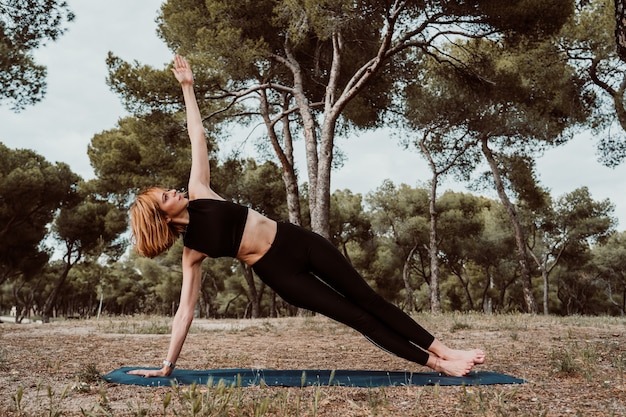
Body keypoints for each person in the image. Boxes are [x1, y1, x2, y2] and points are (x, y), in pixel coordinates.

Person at [128, 55, 485, 378]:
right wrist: (167, 365)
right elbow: (184, 313)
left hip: (297, 241)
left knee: (370, 300)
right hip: (281, 273)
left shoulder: (200, 191)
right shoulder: (193, 252)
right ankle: (439, 365)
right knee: (357, 317)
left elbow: (197, 135)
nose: (173, 190)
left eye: (168, 190)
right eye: (165, 196)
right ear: (161, 217)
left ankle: (444, 349)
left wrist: (188, 88)